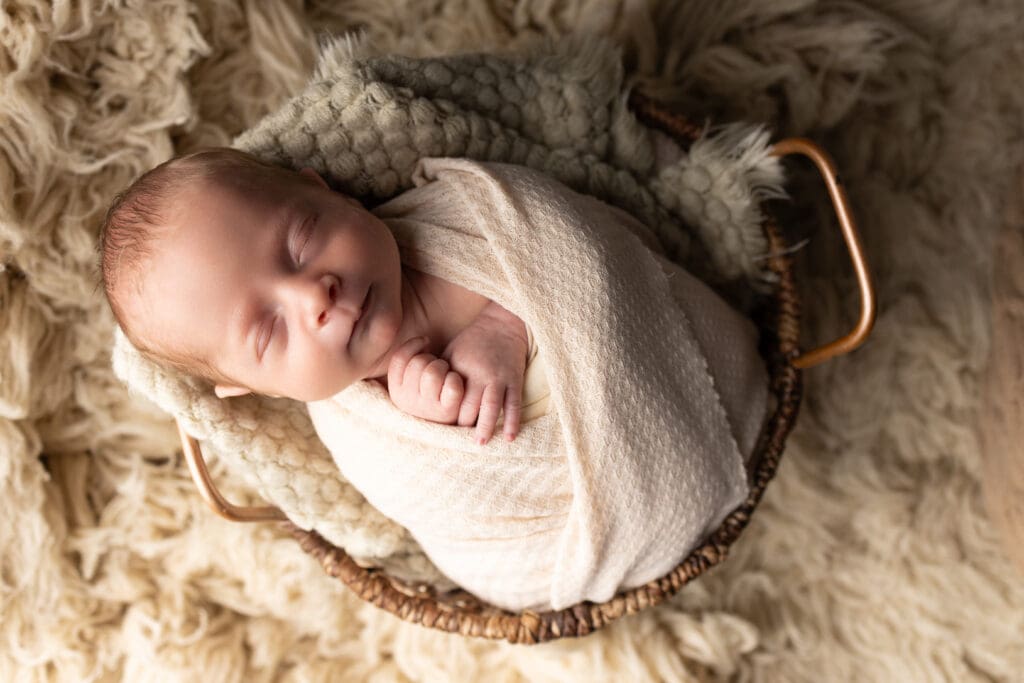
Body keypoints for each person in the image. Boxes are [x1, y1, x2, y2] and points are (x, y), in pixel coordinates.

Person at [98, 147, 535, 445]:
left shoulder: (460, 223)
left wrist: (504, 325)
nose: (313, 298)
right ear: (256, 388)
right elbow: (448, 496)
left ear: (331, 194)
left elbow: (553, 246)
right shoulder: (366, 436)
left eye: (302, 243)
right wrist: (435, 418)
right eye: (270, 331)